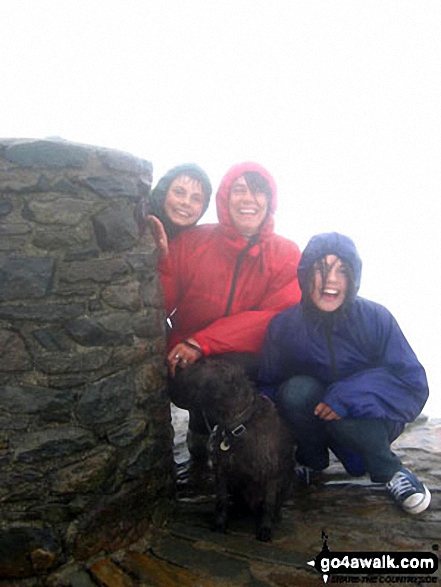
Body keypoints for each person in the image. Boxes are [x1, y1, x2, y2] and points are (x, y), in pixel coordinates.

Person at [258, 232, 431, 514]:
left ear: (354, 277)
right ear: (304, 274)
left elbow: (411, 383)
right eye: (320, 268)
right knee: (294, 391)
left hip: (367, 418)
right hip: (315, 417)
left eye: (342, 270)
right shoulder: (284, 326)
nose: (331, 280)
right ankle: (311, 462)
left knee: (347, 426)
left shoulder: (376, 318)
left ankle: (390, 470)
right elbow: (268, 384)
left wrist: (348, 398)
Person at [159, 162, 302, 455]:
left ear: (270, 201)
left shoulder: (286, 254)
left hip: (248, 361)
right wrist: (152, 253)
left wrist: (201, 342)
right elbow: (159, 303)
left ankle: (248, 452)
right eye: (239, 190)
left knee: (240, 382)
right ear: (225, 198)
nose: (248, 199)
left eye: (258, 191)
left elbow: (276, 318)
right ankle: (202, 427)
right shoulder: (190, 243)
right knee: (211, 382)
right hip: (190, 364)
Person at [138, 163, 212, 257]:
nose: (186, 202)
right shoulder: (135, 227)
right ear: (163, 193)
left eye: (196, 199)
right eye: (178, 192)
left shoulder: (197, 251)